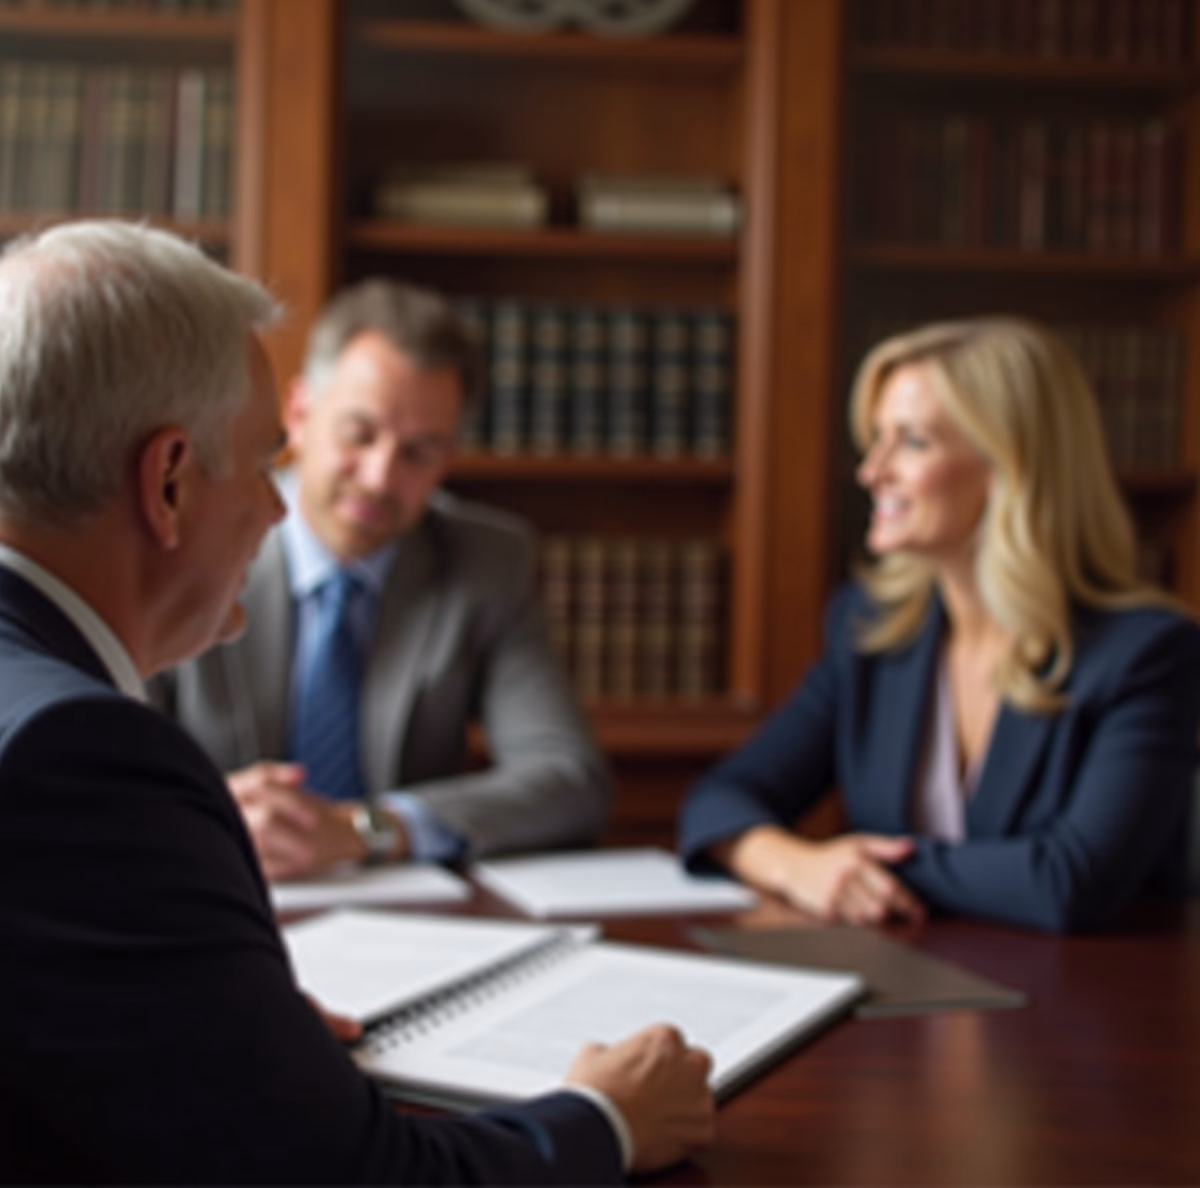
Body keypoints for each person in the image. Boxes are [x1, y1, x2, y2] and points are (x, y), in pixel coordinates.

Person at [0, 220, 714, 1183]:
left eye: (421, 450)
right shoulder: (86, 755)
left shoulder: (481, 559)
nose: (277, 506)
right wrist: (606, 1120)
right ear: (168, 482)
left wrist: (212, 998)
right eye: (264, 461)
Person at [678, 316, 1200, 934]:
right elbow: (718, 801)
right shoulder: (868, 629)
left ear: (1011, 467)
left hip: (1092, 1010)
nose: (873, 471)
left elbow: (1068, 881)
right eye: (876, 439)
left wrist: (863, 868)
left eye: (913, 442)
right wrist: (796, 865)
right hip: (913, 992)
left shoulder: (1146, 653)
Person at [149, 277, 611, 881]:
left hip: (405, 918)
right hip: (209, 894)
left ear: (448, 460)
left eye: (419, 452)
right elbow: (95, 770)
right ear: (299, 413)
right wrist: (212, 817)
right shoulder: (189, 536)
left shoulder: (486, 561)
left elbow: (569, 778)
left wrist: (367, 830)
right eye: (359, 434)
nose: (379, 477)